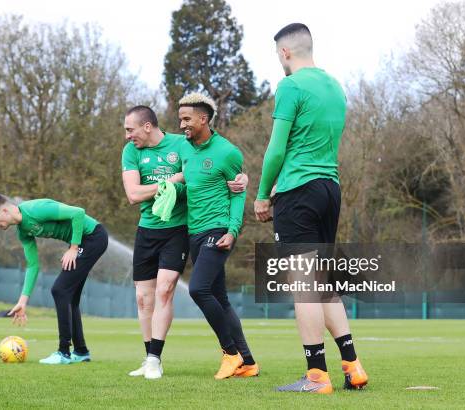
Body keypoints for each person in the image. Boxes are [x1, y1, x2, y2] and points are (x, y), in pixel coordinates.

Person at [254, 23, 368, 393]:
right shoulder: (335, 87)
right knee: (323, 283)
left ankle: (316, 375)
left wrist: (261, 194)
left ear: (285, 52)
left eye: (278, 55)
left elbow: (277, 148)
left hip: (298, 192)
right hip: (329, 189)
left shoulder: (291, 86)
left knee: (303, 285)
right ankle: (352, 365)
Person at [121, 105, 248, 379]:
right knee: (144, 299)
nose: (127, 136)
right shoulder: (131, 151)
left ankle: (156, 358)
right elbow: (132, 194)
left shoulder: (182, 144)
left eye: (130, 130)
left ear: (147, 126)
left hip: (179, 230)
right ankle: (149, 357)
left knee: (167, 290)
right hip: (147, 229)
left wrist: (240, 178)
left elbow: (213, 160)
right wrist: (173, 180)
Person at [178, 93, 259, 380]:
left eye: (187, 119)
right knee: (220, 299)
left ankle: (230, 353)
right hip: (194, 233)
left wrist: (232, 231)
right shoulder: (185, 151)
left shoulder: (227, 152)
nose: (182, 125)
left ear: (204, 119)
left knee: (198, 290)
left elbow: (238, 194)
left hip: (218, 230)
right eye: (180, 120)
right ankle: (248, 362)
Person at [0, 194, 108, 364]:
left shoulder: (36, 209)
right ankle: (81, 351)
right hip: (83, 242)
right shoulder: (23, 232)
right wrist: (23, 301)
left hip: (93, 237)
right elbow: (33, 266)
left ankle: (63, 353)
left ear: (5, 210)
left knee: (60, 290)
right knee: (70, 297)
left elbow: (78, 213)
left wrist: (73, 248)